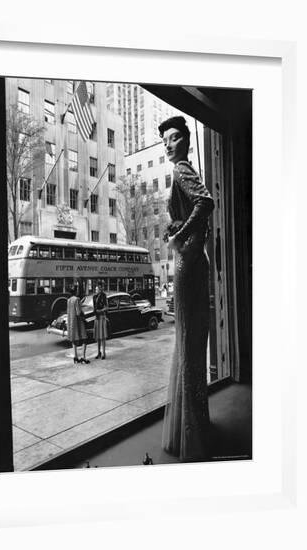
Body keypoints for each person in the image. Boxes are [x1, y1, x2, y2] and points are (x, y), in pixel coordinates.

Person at [159, 116, 214, 461]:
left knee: (189, 342)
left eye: (175, 138)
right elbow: (198, 207)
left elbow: (205, 202)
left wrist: (179, 234)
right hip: (194, 261)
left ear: (187, 141)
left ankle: (191, 432)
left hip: (188, 263)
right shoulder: (184, 170)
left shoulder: (181, 169)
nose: (168, 144)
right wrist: (176, 226)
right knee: (191, 344)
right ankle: (194, 427)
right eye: (165, 139)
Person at [66, 285, 89, 365]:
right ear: (76, 291)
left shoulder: (68, 300)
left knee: (74, 340)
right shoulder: (77, 299)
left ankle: (75, 357)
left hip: (71, 322)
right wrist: (84, 317)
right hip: (78, 322)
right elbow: (78, 312)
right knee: (84, 338)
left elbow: (68, 312)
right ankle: (83, 357)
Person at [93, 282, 108, 359]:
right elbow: (94, 308)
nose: (96, 290)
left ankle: (103, 353)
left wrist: (100, 310)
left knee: (102, 337)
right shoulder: (94, 297)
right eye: (96, 289)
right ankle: (98, 352)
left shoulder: (104, 296)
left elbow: (106, 307)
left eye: (97, 289)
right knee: (98, 337)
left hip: (102, 317)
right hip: (97, 318)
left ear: (100, 288)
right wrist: (95, 311)